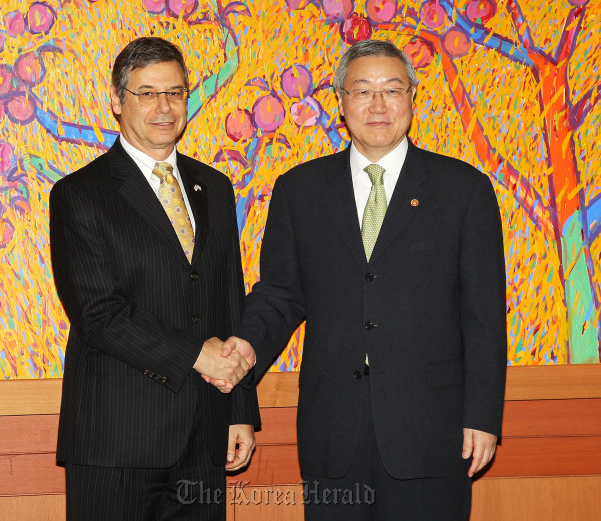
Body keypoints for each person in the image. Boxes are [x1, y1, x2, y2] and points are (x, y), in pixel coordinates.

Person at [216, 40, 507, 520]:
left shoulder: (463, 189)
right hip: (334, 429)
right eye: (362, 91)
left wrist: (482, 417)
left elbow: (483, 316)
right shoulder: (300, 190)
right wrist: (246, 347)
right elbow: (281, 294)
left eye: (392, 90)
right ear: (340, 102)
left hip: (433, 430)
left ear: (413, 98)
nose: (377, 105)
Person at [49, 37, 260, 521]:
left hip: (206, 436)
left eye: (175, 92)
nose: (164, 107)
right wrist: (197, 355)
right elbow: (98, 315)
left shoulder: (215, 187)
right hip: (116, 439)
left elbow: (230, 302)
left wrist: (241, 411)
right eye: (147, 93)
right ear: (117, 102)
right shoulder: (79, 194)